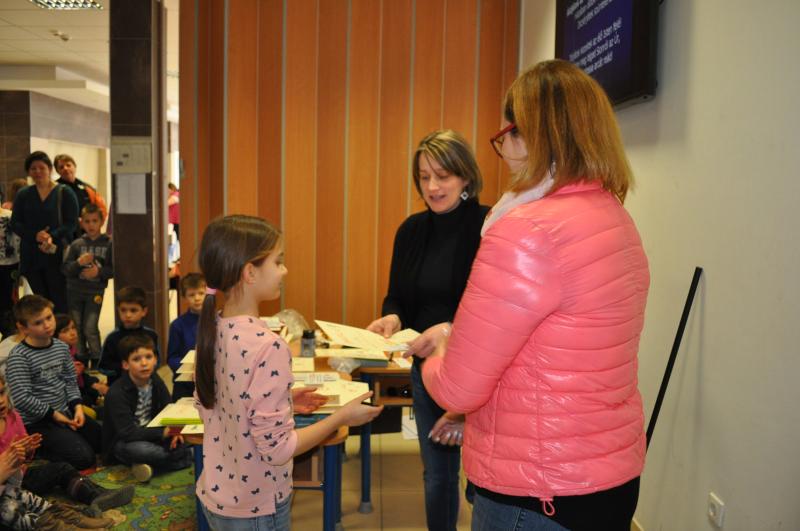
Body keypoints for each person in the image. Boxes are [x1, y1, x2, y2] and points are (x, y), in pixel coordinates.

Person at [418, 59, 650, 531]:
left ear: (531, 136)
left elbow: (458, 387)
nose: (504, 151)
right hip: (611, 478)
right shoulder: (615, 218)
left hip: (537, 490)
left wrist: (438, 348)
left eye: (507, 135)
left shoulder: (526, 230)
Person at [194, 215, 383, 529]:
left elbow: (215, 402)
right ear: (250, 273)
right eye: (278, 262)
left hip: (218, 496)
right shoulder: (268, 346)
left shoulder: (213, 327)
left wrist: (285, 398)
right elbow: (278, 450)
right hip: (257, 508)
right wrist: (341, 417)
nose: (284, 271)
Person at [366, 129, 490, 531]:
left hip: (482, 371)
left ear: (465, 176)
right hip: (429, 370)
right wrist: (392, 318)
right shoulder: (411, 230)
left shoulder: (488, 226)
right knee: (437, 474)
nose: (433, 187)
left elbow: (493, 308)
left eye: (443, 176)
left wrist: (450, 329)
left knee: (484, 481)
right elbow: (397, 297)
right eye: (424, 177)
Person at [0, 372, 132, 529]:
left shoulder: (13, 417)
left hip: (19, 478)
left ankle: (96, 496)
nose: (1, 400)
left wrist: (27, 451)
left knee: (61, 469)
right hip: (5, 486)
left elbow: (24, 460)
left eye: (1, 393)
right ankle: (56, 523)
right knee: (11, 508)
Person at [5, 295, 103, 470]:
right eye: (38, 322)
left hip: (65, 412)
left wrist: (77, 407)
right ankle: (40, 451)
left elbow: (70, 381)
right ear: (23, 327)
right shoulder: (19, 357)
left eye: (49, 318)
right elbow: (22, 398)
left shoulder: (61, 347)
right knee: (84, 457)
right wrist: (54, 415)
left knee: (103, 440)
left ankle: (66, 437)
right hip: (38, 423)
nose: (47, 325)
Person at [103, 334, 193, 483]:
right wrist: (163, 433)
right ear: (125, 365)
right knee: (143, 451)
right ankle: (184, 457)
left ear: (155, 360)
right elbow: (127, 432)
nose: (144, 363)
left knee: (187, 434)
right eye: (136, 359)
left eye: (148, 357)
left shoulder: (155, 380)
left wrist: (175, 430)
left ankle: (150, 466)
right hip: (126, 441)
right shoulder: (116, 392)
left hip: (152, 434)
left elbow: (168, 408)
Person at [10, 152, 79, 314]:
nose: (38, 171)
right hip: (32, 256)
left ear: (50, 169)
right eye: (33, 168)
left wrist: (51, 236)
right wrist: (34, 235)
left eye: (42, 167)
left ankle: (61, 329)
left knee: (60, 301)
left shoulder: (65, 192)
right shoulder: (23, 194)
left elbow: (71, 223)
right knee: (41, 302)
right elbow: (15, 223)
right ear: (28, 172)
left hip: (57, 255)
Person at [62, 203, 113, 367]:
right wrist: (79, 263)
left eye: (95, 221)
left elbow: (113, 269)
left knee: (90, 326)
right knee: (77, 326)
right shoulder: (77, 244)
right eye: (87, 221)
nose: (91, 225)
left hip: (95, 292)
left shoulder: (109, 243)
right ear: (81, 222)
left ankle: (98, 358)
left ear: (102, 221)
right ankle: (80, 357)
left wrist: (98, 272)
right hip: (74, 291)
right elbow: (66, 269)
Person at [98, 286, 159, 384]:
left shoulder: (151, 335)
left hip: (146, 384)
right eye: (123, 310)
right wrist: (127, 367)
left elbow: (157, 362)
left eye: (133, 310)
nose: (128, 315)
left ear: (144, 311)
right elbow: (103, 367)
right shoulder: (112, 338)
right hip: (119, 385)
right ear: (118, 310)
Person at [54, 314, 107, 417]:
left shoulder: (72, 351)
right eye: (65, 331)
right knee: (88, 400)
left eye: (73, 328)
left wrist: (94, 383)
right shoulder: (57, 356)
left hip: (79, 388)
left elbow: (82, 377)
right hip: (67, 396)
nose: (72, 333)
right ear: (55, 336)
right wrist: (72, 373)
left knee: (97, 386)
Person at [167, 272, 205, 400]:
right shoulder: (177, 325)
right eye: (191, 295)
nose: (197, 298)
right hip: (186, 384)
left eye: (201, 293)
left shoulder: (217, 321)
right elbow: (172, 358)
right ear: (184, 297)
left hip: (212, 382)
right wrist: (189, 368)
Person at [53, 154, 108, 239]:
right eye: (61, 167)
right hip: (65, 235)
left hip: (87, 234)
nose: (65, 168)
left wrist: (92, 224)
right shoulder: (54, 189)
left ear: (74, 167)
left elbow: (102, 210)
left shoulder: (87, 188)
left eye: (68, 165)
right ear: (57, 171)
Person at [0, 202, 20, 335]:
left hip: (10, 265)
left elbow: (19, 240)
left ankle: (8, 332)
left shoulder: (10, 216)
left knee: (8, 301)